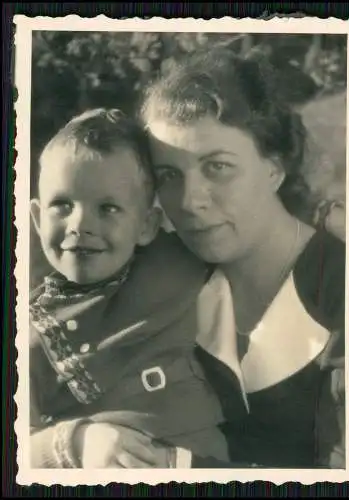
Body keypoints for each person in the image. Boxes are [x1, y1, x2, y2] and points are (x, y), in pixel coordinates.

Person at [137, 47, 346, 469]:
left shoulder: (346, 287)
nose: (190, 200)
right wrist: (73, 439)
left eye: (217, 167)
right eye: (169, 175)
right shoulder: (161, 284)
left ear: (274, 168)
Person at [28, 108, 231, 468]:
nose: (80, 224)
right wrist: (74, 443)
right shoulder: (30, 331)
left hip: (202, 466)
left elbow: (242, 229)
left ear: (147, 225)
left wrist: (330, 220)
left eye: (107, 208)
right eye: (62, 205)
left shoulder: (172, 261)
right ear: (36, 216)